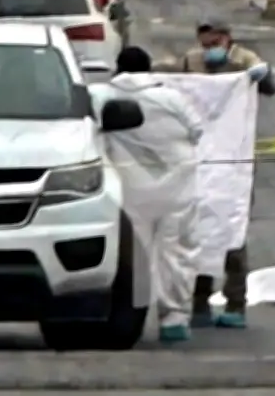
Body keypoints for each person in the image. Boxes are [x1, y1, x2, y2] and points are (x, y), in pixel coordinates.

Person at [153, 18, 275, 329]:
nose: (208, 51)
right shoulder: (191, 62)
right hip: (201, 158)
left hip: (234, 158)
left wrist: (262, 77)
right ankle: (199, 301)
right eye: (204, 45)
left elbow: (271, 86)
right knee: (199, 228)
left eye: (214, 44)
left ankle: (236, 302)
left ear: (227, 38)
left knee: (232, 227)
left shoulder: (246, 61)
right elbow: (173, 82)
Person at [101, 46, 203, 342]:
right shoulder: (172, 98)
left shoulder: (103, 96)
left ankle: (132, 318)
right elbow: (197, 131)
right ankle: (174, 320)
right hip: (177, 189)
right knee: (177, 254)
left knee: (133, 258)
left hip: (129, 190)